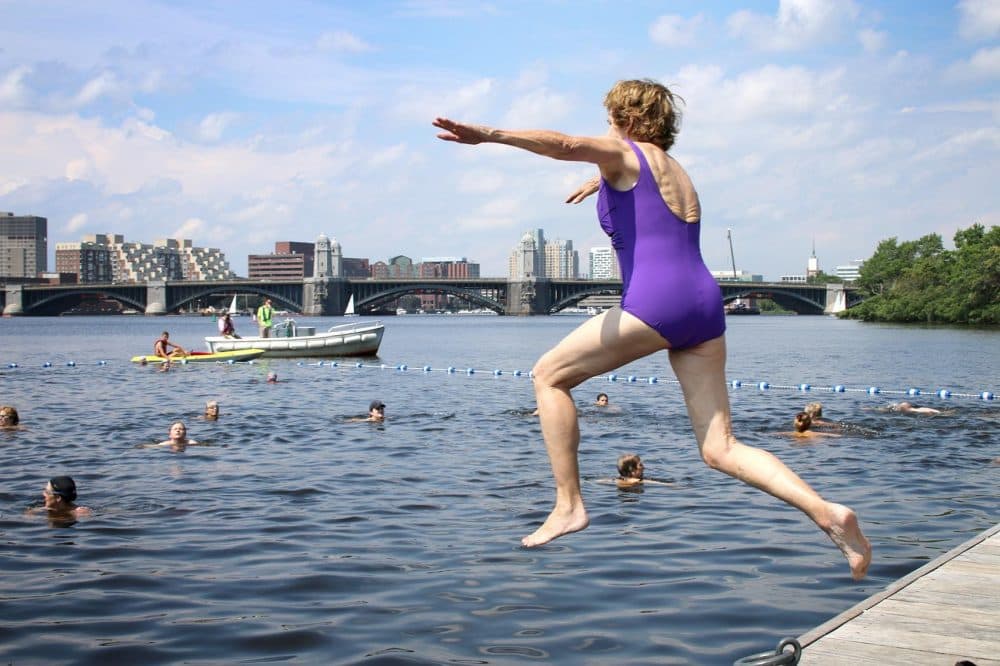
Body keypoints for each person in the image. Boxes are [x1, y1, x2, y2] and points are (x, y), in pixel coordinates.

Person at [433, 78, 871, 580]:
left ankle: (569, 505)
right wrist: (602, 181)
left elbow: (567, 145)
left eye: (611, 120)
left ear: (629, 121)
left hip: (657, 301)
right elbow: (646, 201)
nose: (607, 130)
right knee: (720, 448)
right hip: (704, 306)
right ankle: (826, 513)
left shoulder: (623, 153)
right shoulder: (673, 171)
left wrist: (490, 134)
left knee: (549, 376)